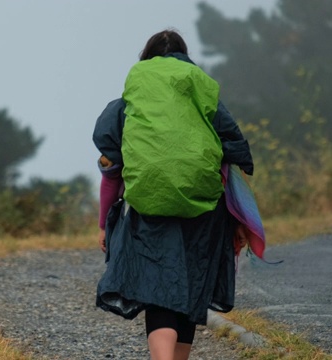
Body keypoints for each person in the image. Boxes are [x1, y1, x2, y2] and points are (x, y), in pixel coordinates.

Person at [92, 29, 255, 360]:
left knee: (159, 290)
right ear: (185, 60)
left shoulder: (129, 103)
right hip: (206, 211)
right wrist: (242, 222)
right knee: (189, 287)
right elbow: (234, 156)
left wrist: (102, 224)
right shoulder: (204, 95)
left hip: (149, 208)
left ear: (147, 60)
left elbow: (111, 171)